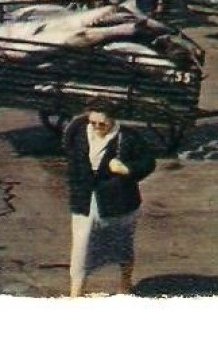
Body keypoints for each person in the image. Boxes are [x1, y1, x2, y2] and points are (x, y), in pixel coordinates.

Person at [64, 102, 156, 297]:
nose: (97, 127)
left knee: (122, 246)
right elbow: (71, 155)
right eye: (93, 123)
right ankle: (76, 293)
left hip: (119, 202)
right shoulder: (78, 131)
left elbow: (148, 162)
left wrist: (127, 169)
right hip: (85, 199)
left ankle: (125, 284)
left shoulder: (128, 136)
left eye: (102, 124)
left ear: (112, 121)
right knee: (81, 249)